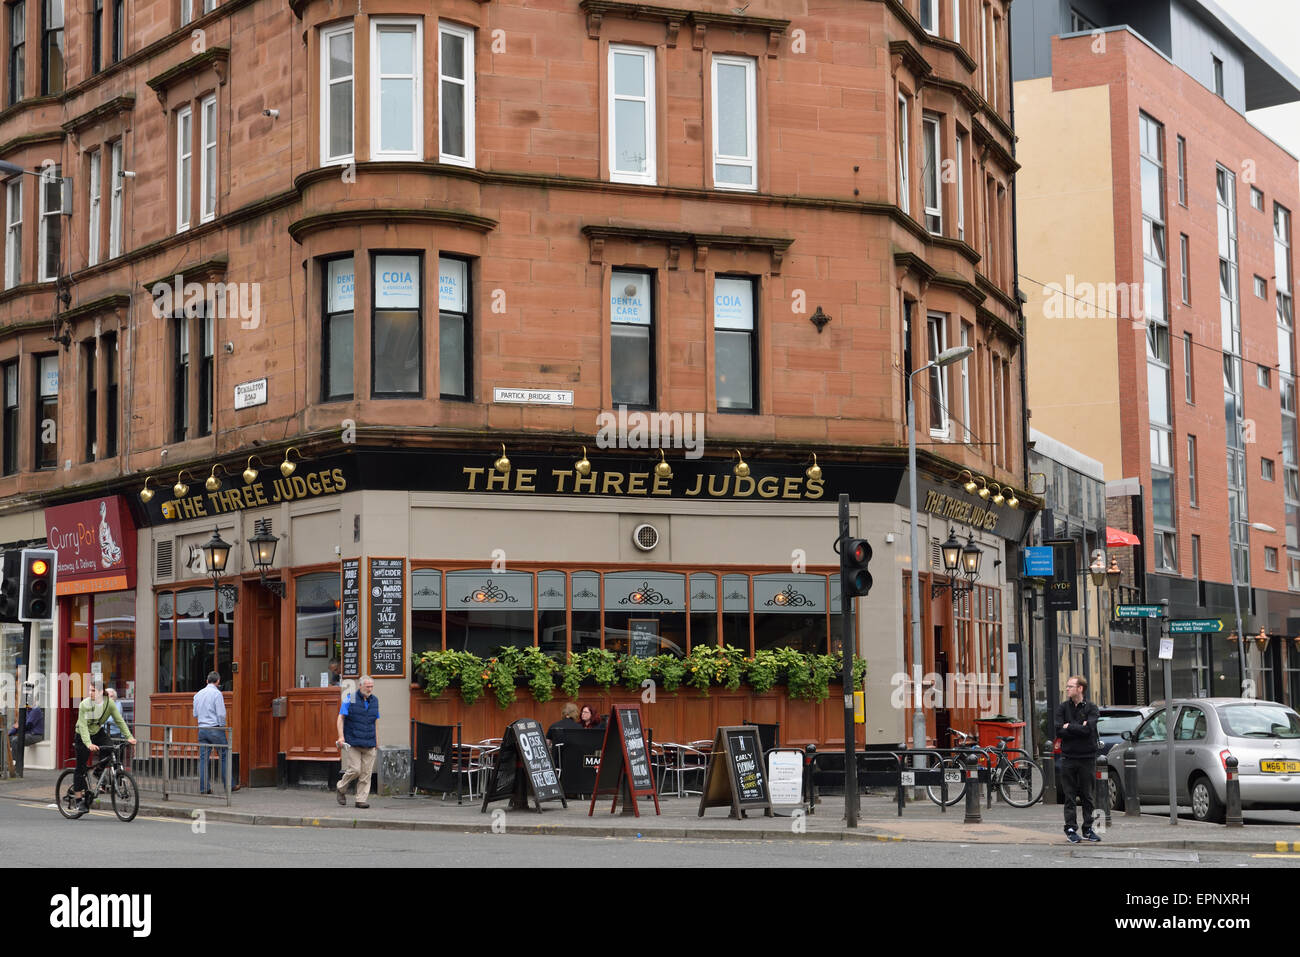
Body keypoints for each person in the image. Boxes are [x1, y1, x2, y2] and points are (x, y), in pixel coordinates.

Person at [72, 678, 135, 809]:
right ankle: (78, 800)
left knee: (111, 748)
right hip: (82, 735)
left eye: (93, 691)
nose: (90, 693)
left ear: (101, 692)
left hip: (97, 732)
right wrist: (88, 744)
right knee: (80, 768)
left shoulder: (109, 704)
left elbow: (119, 720)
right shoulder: (84, 704)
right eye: (90, 690)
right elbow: (83, 727)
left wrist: (129, 736)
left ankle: (98, 771)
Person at [1055, 674, 1102, 844]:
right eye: (1067, 686)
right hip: (1068, 757)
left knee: (1087, 795)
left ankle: (1088, 829)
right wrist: (1077, 727)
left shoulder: (1091, 708)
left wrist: (1070, 727)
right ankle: (1070, 828)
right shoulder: (1062, 708)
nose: (1067, 689)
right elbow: (1059, 730)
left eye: (1070, 686)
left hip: (1087, 758)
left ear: (1080, 688)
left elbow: (1088, 730)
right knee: (1069, 795)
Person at [335, 675, 379, 808]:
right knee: (355, 770)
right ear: (360, 686)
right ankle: (341, 787)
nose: (370, 689)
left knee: (366, 774)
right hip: (353, 741)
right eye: (367, 687)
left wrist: (377, 741)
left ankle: (360, 800)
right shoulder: (350, 698)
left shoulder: (375, 701)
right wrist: (341, 737)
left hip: (369, 742)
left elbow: (375, 721)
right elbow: (340, 718)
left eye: (371, 687)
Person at [194, 671, 234, 794]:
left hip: (202, 729)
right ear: (218, 681)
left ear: (207, 681)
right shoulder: (217, 694)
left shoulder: (198, 694)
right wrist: (222, 727)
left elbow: (195, 714)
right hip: (215, 728)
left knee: (203, 759)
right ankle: (229, 785)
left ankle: (204, 788)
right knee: (224, 756)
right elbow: (221, 713)